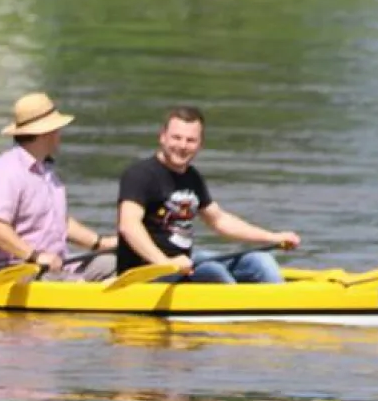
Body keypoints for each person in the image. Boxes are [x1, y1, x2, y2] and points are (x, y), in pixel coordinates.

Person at [115, 105, 300, 283]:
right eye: (176, 138)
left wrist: (274, 237)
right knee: (213, 272)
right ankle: (238, 309)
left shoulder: (192, 177)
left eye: (190, 140)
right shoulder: (140, 175)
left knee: (259, 261)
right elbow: (129, 226)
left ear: (200, 144)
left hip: (184, 264)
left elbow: (219, 221)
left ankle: (284, 309)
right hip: (145, 272)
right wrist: (165, 264)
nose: (182, 146)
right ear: (162, 137)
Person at [0, 92, 118, 281]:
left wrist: (100, 243)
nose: (59, 135)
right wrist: (34, 256)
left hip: (53, 266)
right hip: (12, 272)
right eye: (57, 129)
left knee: (115, 263)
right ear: (47, 133)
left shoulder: (46, 172)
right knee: (74, 285)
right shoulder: (4, 171)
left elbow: (59, 223)